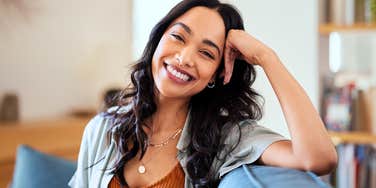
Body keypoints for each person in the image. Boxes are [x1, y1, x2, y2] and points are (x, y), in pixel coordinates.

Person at [68, 0, 337, 187]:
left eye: (207, 53)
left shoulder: (225, 138)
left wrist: (267, 58)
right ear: (158, 39)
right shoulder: (102, 128)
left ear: (218, 74)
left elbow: (316, 158)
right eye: (178, 37)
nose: (185, 58)